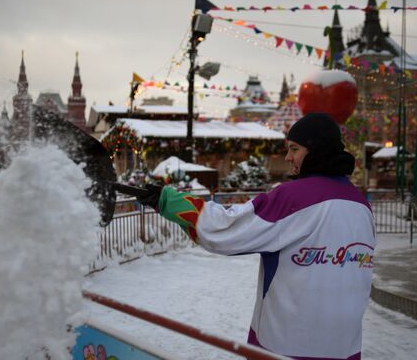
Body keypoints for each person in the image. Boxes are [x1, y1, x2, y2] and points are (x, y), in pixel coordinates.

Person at [139, 113, 375, 360]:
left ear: (316, 149)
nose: (288, 157)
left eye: (294, 149)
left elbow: (226, 229)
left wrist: (167, 200)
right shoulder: (361, 204)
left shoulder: (292, 197)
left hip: (285, 346)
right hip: (345, 348)